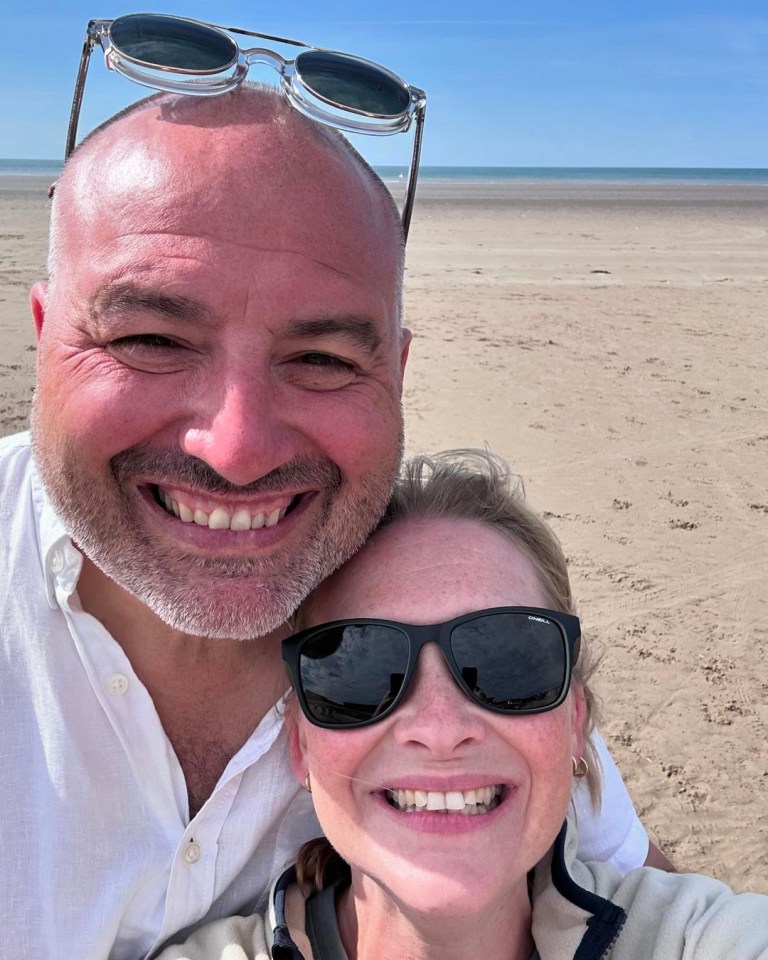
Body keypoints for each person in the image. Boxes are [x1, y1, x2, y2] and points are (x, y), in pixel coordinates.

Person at [1, 20, 661, 960]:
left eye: (318, 359)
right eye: (150, 340)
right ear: (43, 332)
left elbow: (629, 895)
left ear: (394, 373)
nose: (234, 450)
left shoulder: (448, 613)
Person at [156, 450, 768, 960]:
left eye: (507, 660)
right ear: (301, 746)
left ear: (576, 723)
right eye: (360, 668)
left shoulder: (691, 939)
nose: (441, 729)